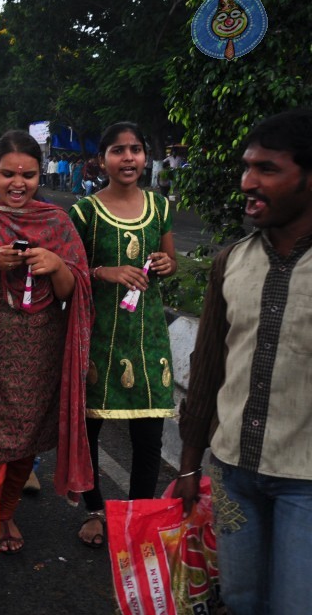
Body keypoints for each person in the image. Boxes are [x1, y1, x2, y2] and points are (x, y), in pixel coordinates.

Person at [0, 130, 93, 599]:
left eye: (28, 174)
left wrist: (56, 264)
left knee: (23, 453)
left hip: (37, 360)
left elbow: (73, 290)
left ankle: (6, 515)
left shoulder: (57, 222)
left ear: (39, 174)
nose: (18, 183)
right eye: (8, 173)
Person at [175, 109, 312, 614]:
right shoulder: (231, 260)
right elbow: (208, 364)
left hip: (307, 478)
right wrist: (190, 466)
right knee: (239, 600)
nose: (248, 183)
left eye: (268, 169)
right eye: (246, 167)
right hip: (232, 472)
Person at [70, 122, 177, 548]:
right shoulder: (85, 212)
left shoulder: (160, 206)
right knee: (91, 431)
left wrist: (169, 265)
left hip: (149, 337)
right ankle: (95, 510)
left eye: (136, 149)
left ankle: (137, 515)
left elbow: (169, 259)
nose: (128, 157)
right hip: (101, 334)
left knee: (148, 436)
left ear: (145, 157)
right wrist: (104, 271)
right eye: (118, 150)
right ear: (102, 159)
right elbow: (69, 270)